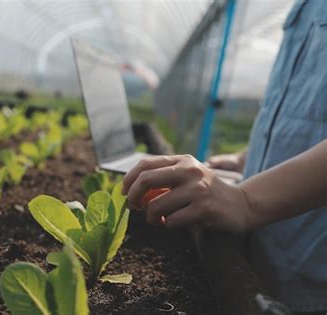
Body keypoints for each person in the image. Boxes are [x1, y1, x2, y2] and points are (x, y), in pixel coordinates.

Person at [122, 0, 327, 313]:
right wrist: (246, 158)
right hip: (266, 257)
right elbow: (301, 107)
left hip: (311, 283)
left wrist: (246, 200)